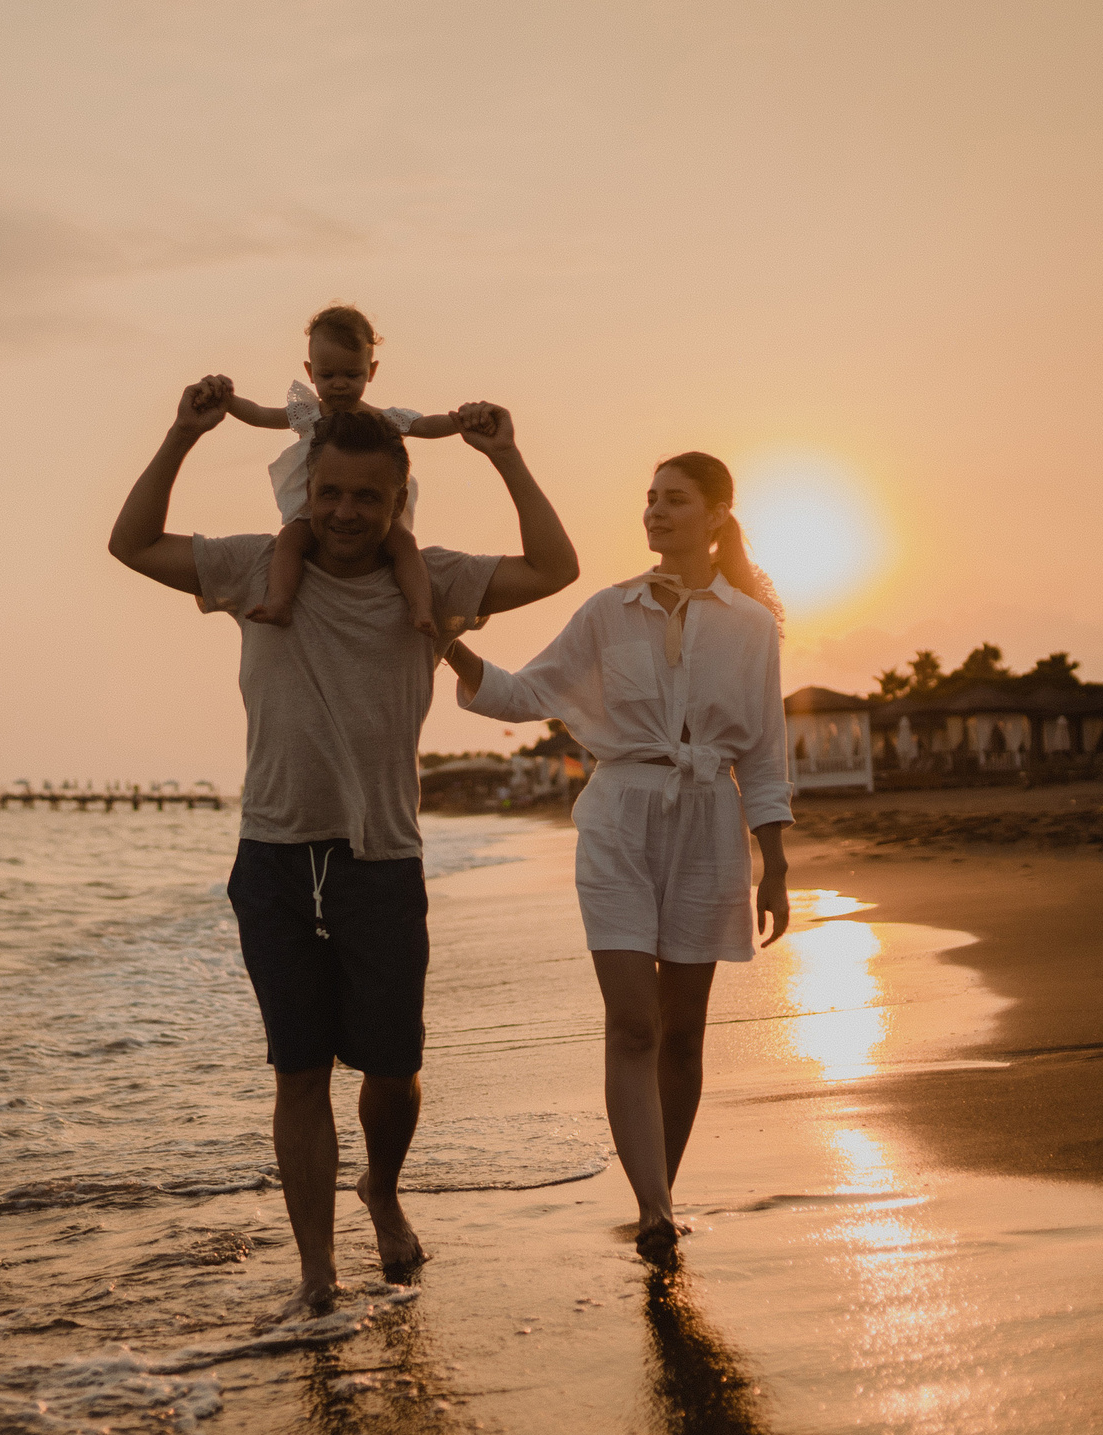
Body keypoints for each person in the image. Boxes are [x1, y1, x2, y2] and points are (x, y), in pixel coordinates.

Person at [108, 375, 578, 1321]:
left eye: (369, 496)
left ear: (399, 500)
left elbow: (554, 566)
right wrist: (181, 436)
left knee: (393, 1072)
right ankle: (317, 1272)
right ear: (305, 490)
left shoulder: (432, 582)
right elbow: (132, 543)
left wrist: (505, 456)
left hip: (382, 859)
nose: (347, 513)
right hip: (275, 856)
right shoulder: (255, 567)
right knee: (300, 1071)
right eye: (329, 493)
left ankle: (383, 1188)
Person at [440, 452, 793, 1262]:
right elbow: (528, 692)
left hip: (708, 822)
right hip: (618, 818)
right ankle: (655, 1210)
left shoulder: (752, 625)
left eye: (675, 500)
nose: (655, 512)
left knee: (684, 1031)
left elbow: (765, 754)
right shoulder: (608, 610)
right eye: (650, 498)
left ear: (716, 514)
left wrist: (774, 863)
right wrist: (452, 648)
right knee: (634, 1022)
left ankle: (658, 1191)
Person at [210, 303, 481, 638]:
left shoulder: (381, 418)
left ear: (371, 370)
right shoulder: (308, 413)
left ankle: (421, 608)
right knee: (290, 540)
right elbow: (261, 415)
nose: (339, 385)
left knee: (402, 543)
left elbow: (423, 425)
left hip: (368, 508)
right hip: (314, 506)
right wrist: (228, 401)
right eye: (328, 376)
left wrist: (460, 421)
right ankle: (279, 602)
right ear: (310, 372)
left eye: (352, 375)